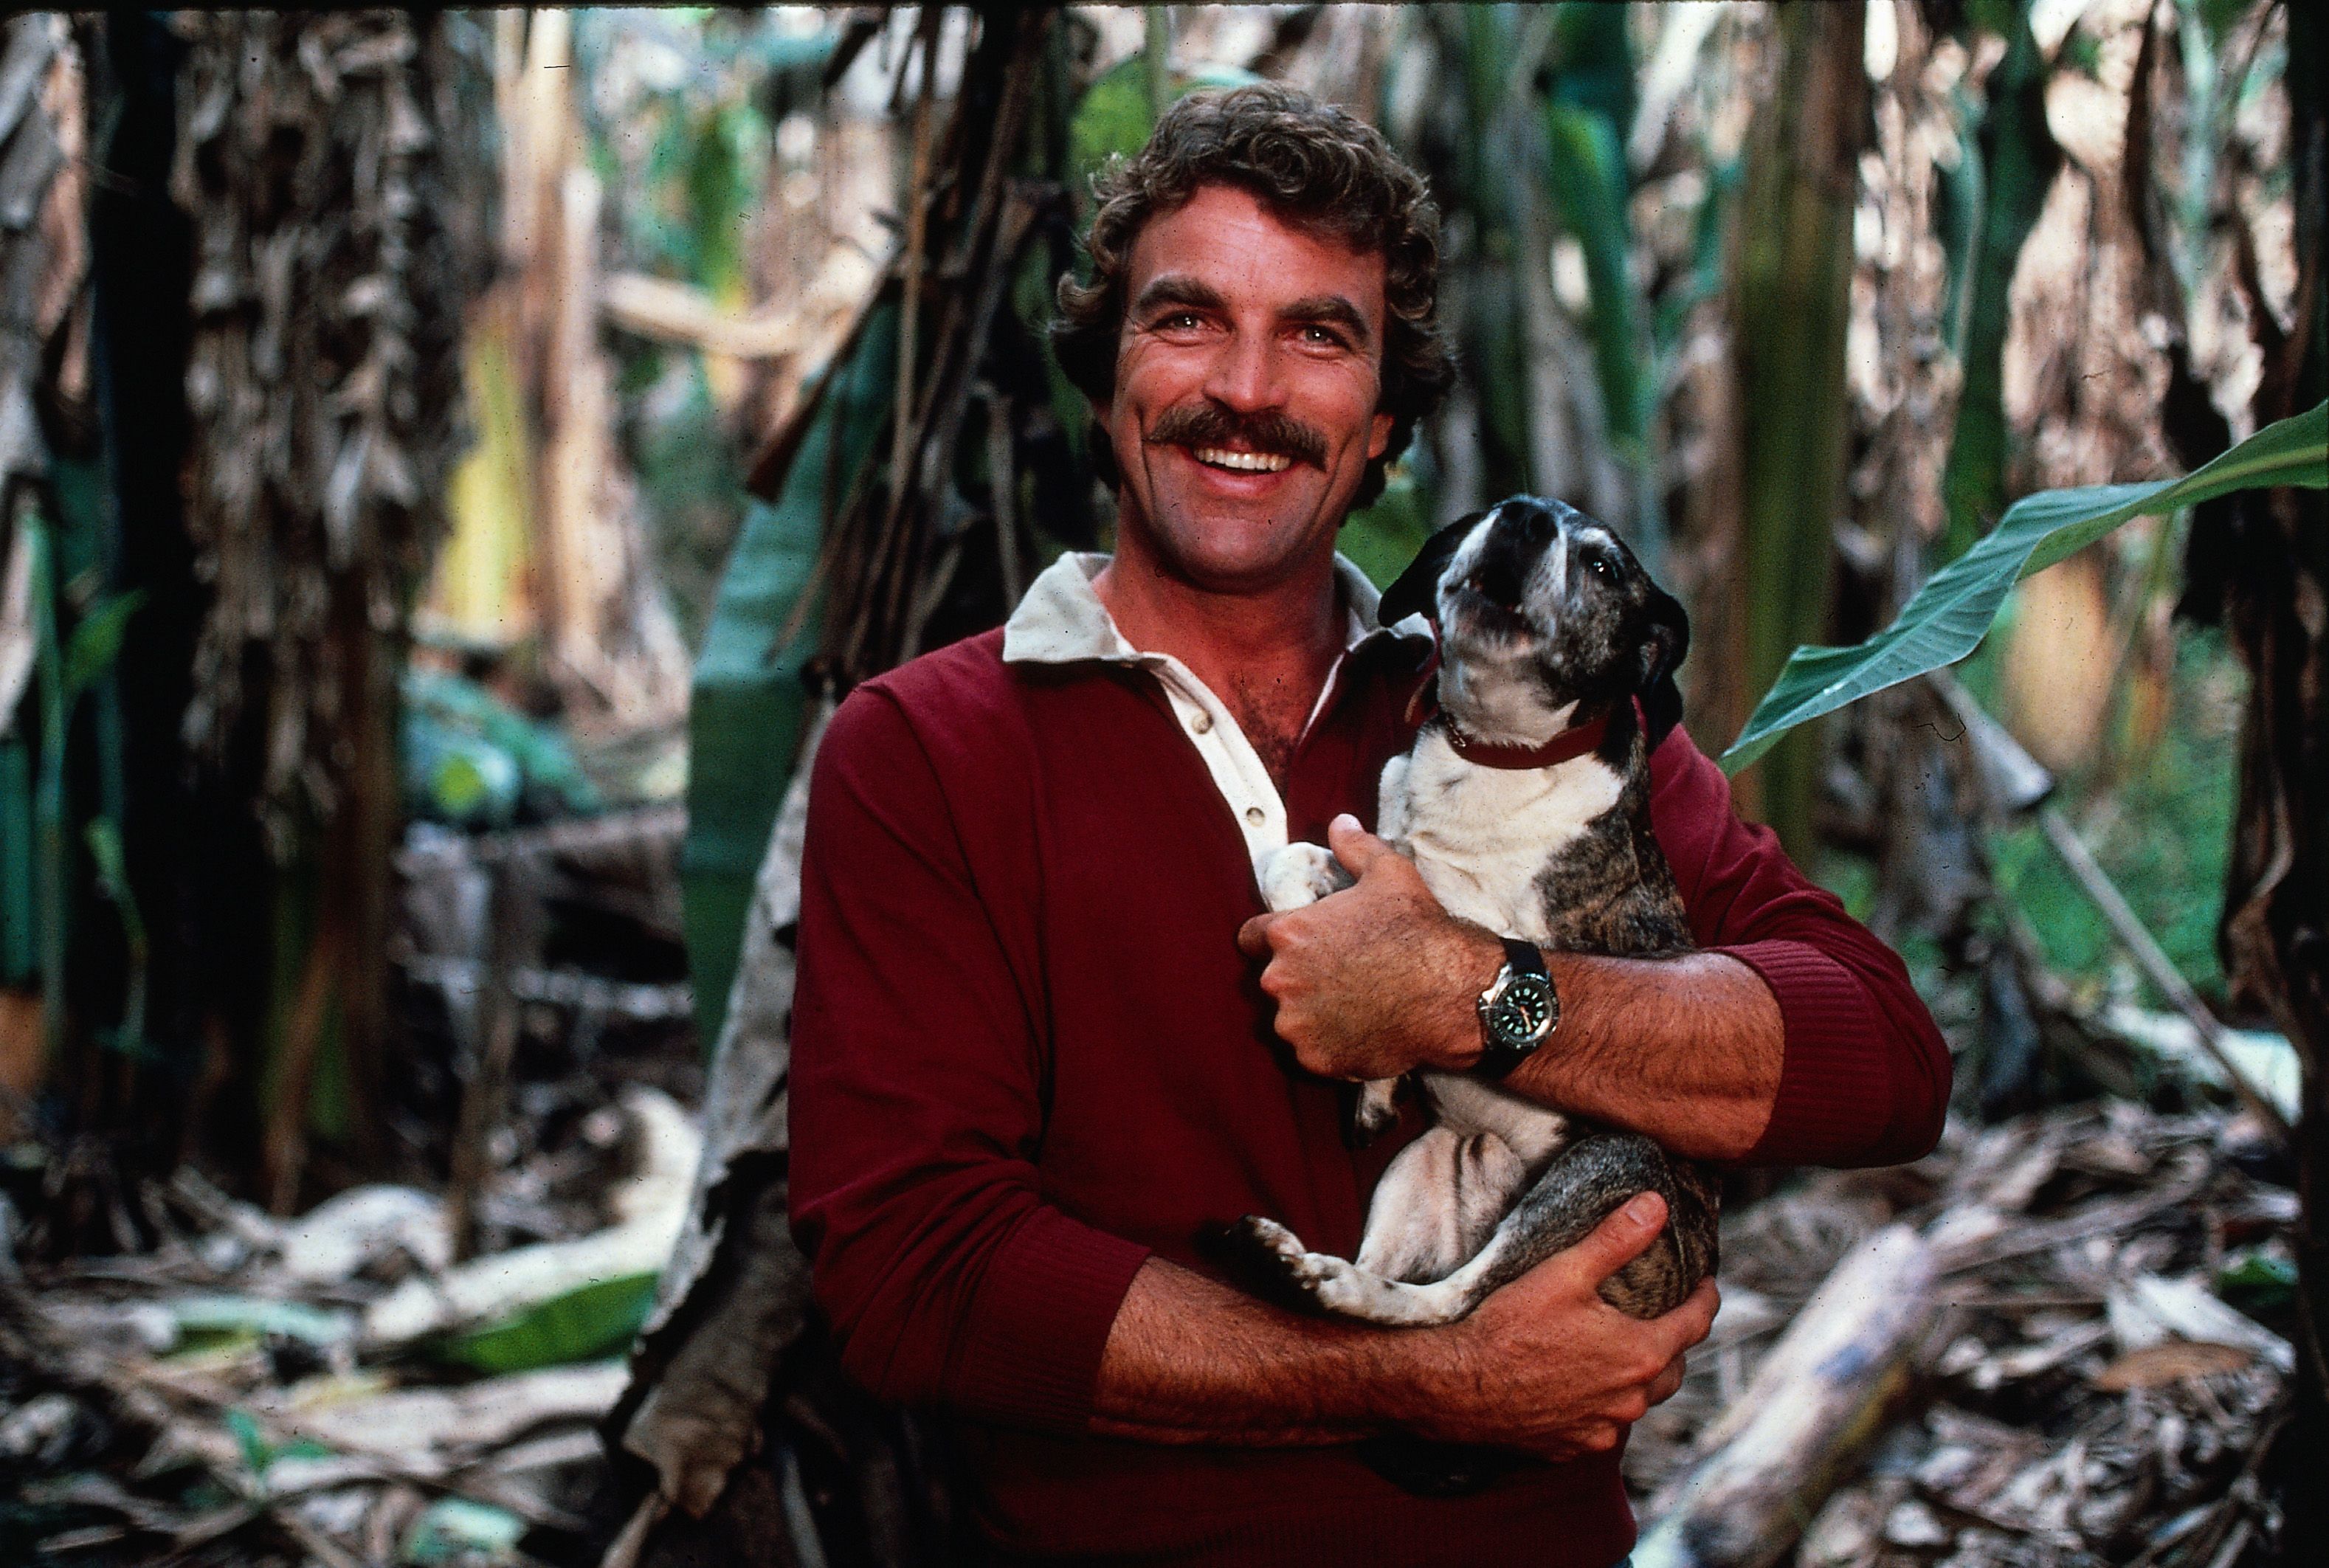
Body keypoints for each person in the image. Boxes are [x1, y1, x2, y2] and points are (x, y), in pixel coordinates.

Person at [788, 84, 1948, 1566]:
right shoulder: (925, 751)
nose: (1250, 387)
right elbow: (912, 1270)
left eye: (1319, 335)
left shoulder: (1543, 717)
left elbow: (1883, 1061)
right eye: (1189, 318)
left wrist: (1483, 993)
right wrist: (1425, 1375)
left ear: (1385, 419)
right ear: (1103, 380)